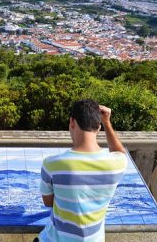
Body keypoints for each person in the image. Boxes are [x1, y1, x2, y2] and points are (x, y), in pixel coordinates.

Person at [37, 99, 127, 242]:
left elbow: (48, 202)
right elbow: (120, 152)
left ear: (72, 122)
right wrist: (107, 122)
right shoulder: (117, 164)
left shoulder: (52, 164)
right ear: (98, 127)